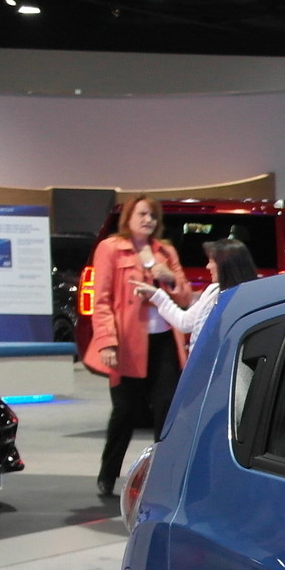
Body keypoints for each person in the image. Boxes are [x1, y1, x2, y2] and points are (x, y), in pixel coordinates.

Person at [83, 196, 190, 495]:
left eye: (153, 216)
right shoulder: (110, 249)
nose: (148, 220)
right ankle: (108, 475)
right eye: (142, 214)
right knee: (125, 411)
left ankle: (163, 477)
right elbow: (101, 301)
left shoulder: (165, 251)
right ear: (129, 217)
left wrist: (168, 277)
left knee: (166, 408)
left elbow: (183, 297)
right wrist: (107, 342)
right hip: (127, 343)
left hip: (164, 341)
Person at [139, 238, 258, 339]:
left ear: (225, 265)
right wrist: (156, 295)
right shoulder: (212, 291)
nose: (207, 266)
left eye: (212, 262)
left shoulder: (247, 300)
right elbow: (184, 322)